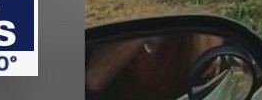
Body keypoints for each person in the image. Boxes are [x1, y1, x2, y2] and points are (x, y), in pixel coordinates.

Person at [85, 33, 225, 100]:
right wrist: (143, 27)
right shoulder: (125, 20)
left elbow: (205, 74)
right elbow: (94, 79)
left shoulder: (201, 29)